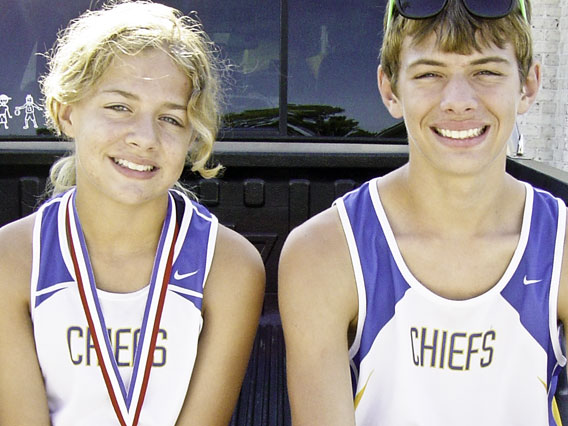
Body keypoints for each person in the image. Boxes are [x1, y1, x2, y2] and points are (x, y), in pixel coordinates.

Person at [279, 0, 567, 425]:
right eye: (430, 73)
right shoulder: (324, 252)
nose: (458, 101)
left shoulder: (559, 245)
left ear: (528, 85)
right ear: (390, 89)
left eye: (486, 71)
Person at [0, 1, 265, 425]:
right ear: (66, 112)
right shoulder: (12, 260)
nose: (144, 138)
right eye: (119, 107)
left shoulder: (229, 266)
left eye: (171, 119)